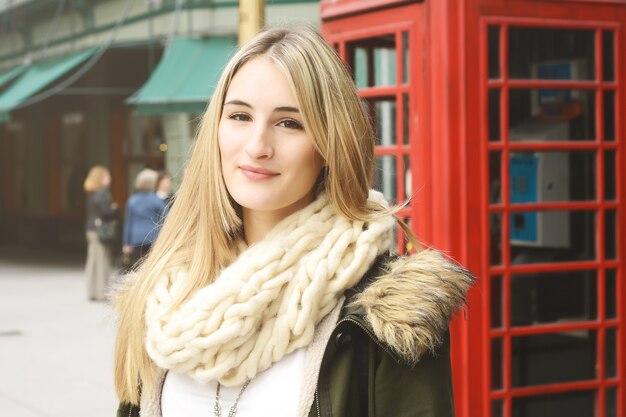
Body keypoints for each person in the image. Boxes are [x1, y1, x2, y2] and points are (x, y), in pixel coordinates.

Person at [114, 27, 474, 417]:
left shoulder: (387, 316)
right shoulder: (163, 294)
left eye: (289, 123)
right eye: (239, 116)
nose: (257, 146)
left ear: (328, 144)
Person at [83, 165, 118, 302]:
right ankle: (101, 292)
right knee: (102, 259)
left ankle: (92, 291)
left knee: (93, 260)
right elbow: (106, 213)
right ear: (100, 179)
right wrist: (115, 209)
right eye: (106, 176)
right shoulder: (102, 193)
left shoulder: (91, 193)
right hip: (100, 230)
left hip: (91, 229)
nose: (109, 179)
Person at [122, 168, 167, 267]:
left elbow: (128, 222)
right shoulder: (157, 200)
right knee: (151, 266)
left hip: (136, 238)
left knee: (137, 267)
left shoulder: (132, 200)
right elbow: (164, 220)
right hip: (153, 237)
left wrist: (126, 243)